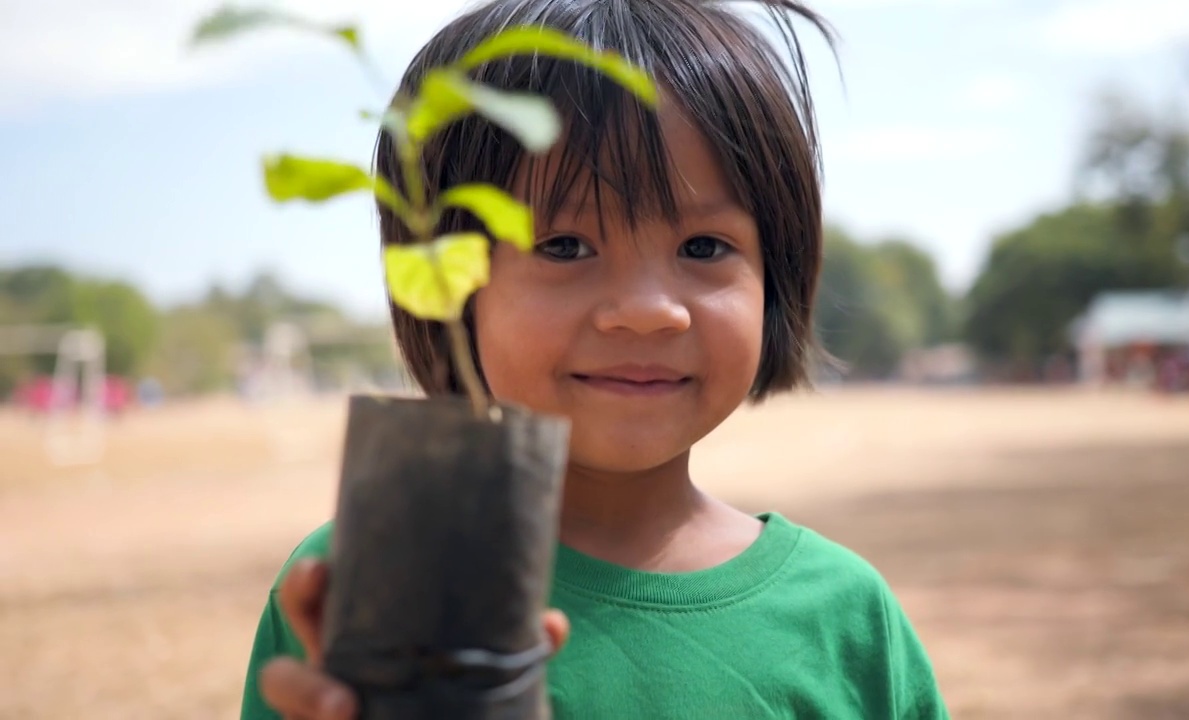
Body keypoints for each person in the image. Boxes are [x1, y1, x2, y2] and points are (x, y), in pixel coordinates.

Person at [239, 0, 950, 717]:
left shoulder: (845, 618)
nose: (647, 310)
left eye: (703, 248)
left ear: (778, 277)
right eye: (565, 247)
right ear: (448, 282)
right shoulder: (372, 581)